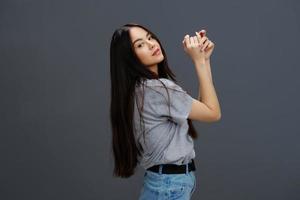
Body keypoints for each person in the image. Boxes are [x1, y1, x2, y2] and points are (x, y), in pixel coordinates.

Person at [109, 22, 221, 199]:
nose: (152, 44)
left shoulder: (141, 89)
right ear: (130, 57)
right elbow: (213, 113)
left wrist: (204, 60)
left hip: (163, 182)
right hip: (169, 185)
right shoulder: (158, 89)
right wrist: (198, 61)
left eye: (150, 37)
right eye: (140, 45)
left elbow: (201, 110)